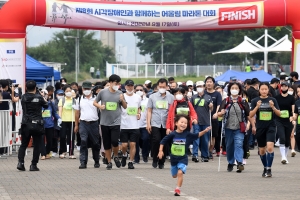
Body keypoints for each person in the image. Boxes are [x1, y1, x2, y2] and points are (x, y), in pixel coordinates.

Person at [158, 115, 211, 196]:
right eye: (181, 122)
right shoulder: (172, 134)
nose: (183, 124)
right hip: (174, 159)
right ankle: (175, 175)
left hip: (183, 159)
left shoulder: (187, 134)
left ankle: (177, 189)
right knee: (174, 175)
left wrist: (205, 131)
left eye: (185, 123)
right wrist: (160, 151)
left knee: (180, 173)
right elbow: (163, 141)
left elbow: (197, 135)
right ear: (176, 123)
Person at [93, 74, 127, 170]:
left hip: (116, 122)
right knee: (107, 143)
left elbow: (125, 106)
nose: (118, 85)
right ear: (111, 83)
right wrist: (100, 106)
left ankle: (115, 156)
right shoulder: (103, 92)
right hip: (104, 122)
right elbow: (94, 102)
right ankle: (109, 162)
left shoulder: (120, 93)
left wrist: (122, 100)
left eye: (119, 83)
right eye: (116, 83)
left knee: (115, 141)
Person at [218, 82, 253, 173]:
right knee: (229, 146)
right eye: (232, 88)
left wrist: (253, 125)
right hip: (228, 128)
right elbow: (218, 114)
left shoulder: (243, 101)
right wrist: (221, 113)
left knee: (238, 144)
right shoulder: (225, 101)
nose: (234, 89)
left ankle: (239, 162)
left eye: (236, 88)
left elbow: (249, 115)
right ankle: (230, 162)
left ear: (239, 90)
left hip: (239, 128)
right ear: (229, 90)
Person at [249, 82, 281, 177]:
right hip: (260, 127)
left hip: (271, 126)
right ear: (259, 90)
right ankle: (265, 167)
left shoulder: (273, 100)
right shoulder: (255, 100)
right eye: (262, 89)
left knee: (270, 147)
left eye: (266, 89)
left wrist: (273, 107)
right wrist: (257, 107)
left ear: (268, 90)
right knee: (262, 150)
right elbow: (250, 115)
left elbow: (279, 114)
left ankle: (269, 169)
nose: (264, 91)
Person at [17, 80, 48, 171]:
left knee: (24, 144)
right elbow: (46, 105)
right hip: (37, 124)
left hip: (26, 123)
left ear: (26, 88)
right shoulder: (39, 97)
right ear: (35, 88)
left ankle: (21, 163)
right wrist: (41, 96)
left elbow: (21, 98)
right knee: (37, 145)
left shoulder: (23, 97)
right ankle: (33, 165)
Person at [147, 78, 174, 169]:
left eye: (164, 86)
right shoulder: (152, 97)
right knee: (156, 140)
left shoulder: (171, 97)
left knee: (165, 142)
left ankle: (161, 161)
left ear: (167, 87)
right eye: (160, 86)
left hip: (166, 123)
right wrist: (148, 123)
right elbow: (149, 111)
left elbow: (172, 111)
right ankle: (155, 158)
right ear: (158, 86)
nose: (162, 88)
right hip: (155, 122)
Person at [74, 81, 100, 169]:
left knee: (95, 143)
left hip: (94, 123)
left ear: (91, 89)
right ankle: (83, 162)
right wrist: (76, 125)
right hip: (83, 123)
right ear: (82, 89)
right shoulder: (79, 99)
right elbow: (77, 113)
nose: (86, 90)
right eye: (85, 89)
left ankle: (96, 160)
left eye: (88, 89)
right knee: (83, 141)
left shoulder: (96, 99)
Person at [120, 80, 141, 169]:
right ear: (125, 87)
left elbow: (139, 108)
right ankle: (124, 155)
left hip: (134, 125)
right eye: (128, 86)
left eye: (131, 86)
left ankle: (131, 161)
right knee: (124, 145)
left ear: (133, 87)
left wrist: (139, 113)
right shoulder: (122, 97)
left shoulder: (137, 97)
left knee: (133, 144)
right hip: (123, 124)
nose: (130, 87)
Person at [190, 81, 213, 162]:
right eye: (198, 86)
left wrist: (211, 106)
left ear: (204, 87)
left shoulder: (208, 97)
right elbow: (190, 109)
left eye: (201, 86)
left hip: (206, 121)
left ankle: (205, 155)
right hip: (196, 121)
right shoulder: (193, 97)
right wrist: (192, 119)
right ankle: (195, 155)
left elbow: (211, 109)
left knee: (205, 139)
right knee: (196, 138)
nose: (200, 87)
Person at [274, 82, 295, 164]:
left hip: (288, 120)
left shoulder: (291, 98)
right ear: (280, 88)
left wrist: (293, 117)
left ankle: (285, 157)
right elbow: (275, 109)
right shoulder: (276, 98)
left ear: (288, 87)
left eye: (285, 86)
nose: (284, 88)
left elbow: (293, 110)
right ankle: (282, 156)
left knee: (287, 139)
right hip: (279, 120)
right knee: (282, 137)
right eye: (282, 86)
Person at [40, 87, 61, 160]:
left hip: (50, 124)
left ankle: (47, 152)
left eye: (45, 94)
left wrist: (59, 118)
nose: (44, 95)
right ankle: (43, 154)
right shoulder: (38, 104)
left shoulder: (51, 103)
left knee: (50, 140)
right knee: (41, 140)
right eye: (42, 94)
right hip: (41, 124)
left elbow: (54, 113)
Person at [204, 77, 222, 160]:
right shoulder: (203, 93)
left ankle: (210, 151)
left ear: (213, 83)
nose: (209, 83)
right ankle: (204, 151)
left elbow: (219, 104)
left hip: (213, 117)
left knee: (213, 136)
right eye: (207, 82)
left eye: (210, 82)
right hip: (204, 118)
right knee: (204, 136)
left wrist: (216, 113)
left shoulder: (217, 94)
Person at [58, 85, 76, 159]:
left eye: (69, 91)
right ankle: (63, 151)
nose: (68, 92)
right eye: (67, 91)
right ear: (64, 92)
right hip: (64, 120)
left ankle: (71, 153)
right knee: (62, 136)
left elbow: (77, 110)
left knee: (71, 137)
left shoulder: (74, 100)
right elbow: (60, 110)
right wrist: (59, 119)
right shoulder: (62, 100)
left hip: (72, 120)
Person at [134, 85, 149, 163]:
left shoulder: (148, 100)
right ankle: (136, 158)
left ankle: (145, 155)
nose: (139, 91)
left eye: (141, 90)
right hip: (134, 125)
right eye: (137, 90)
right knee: (135, 142)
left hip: (144, 125)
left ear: (144, 91)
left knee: (145, 139)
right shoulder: (132, 100)